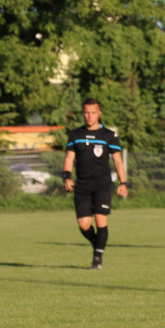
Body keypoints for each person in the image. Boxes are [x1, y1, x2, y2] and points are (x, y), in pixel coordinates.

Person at [61, 98, 129, 270]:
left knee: (100, 221)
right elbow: (69, 158)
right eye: (86, 112)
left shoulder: (109, 135)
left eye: (92, 112)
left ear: (99, 113)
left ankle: (97, 257)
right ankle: (98, 244)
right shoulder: (75, 135)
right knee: (83, 224)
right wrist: (66, 177)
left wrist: (123, 182)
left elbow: (118, 161)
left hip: (102, 185)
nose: (89, 116)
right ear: (83, 113)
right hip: (82, 185)